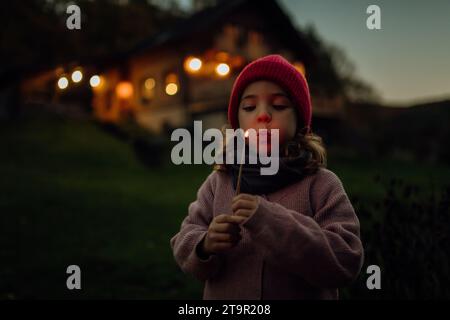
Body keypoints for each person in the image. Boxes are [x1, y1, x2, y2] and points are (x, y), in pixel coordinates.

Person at [170, 54, 364, 299]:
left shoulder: (322, 184)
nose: (262, 115)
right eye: (249, 107)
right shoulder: (219, 182)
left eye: (279, 105)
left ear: (300, 122)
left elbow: (345, 261)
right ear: (237, 123)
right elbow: (184, 239)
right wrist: (205, 245)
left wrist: (270, 220)